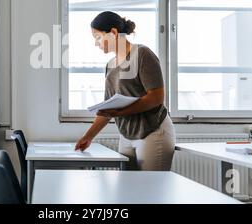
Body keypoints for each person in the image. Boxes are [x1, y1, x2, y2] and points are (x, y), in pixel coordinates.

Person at [75, 11, 176, 171]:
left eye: (98, 37)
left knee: (152, 192)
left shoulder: (142, 54)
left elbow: (156, 98)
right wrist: (88, 137)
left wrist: (121, 112)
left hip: (153, 132)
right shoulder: (110, 65)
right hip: (126, 136)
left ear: (113, 33)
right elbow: (107, 110)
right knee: (128, 189)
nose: (97, 43)